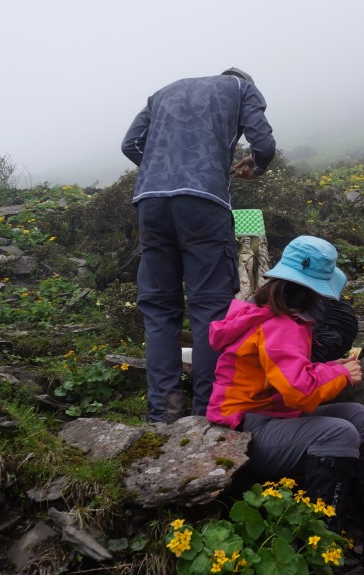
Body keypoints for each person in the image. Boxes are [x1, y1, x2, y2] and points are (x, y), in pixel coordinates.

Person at [206, 236, 364, 571]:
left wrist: (331, 369)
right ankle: (319, 548)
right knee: (338, 432)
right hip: (246, 429)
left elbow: (287, 377)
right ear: (309, 292)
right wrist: (341, 375)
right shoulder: (282, 326)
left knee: (354, 414)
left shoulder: (265, 313)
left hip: (270, 418)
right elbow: (297, 390)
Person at [121, 67, 276, 424]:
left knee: (159, 310)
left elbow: (130, 144)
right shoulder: (241, 88)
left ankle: (162, 416)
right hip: (204, 204)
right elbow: (263, 144)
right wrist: (258, 165)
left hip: (150, 203)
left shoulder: (164, 91)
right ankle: (206, 415)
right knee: (210, 309)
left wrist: (160, 170)